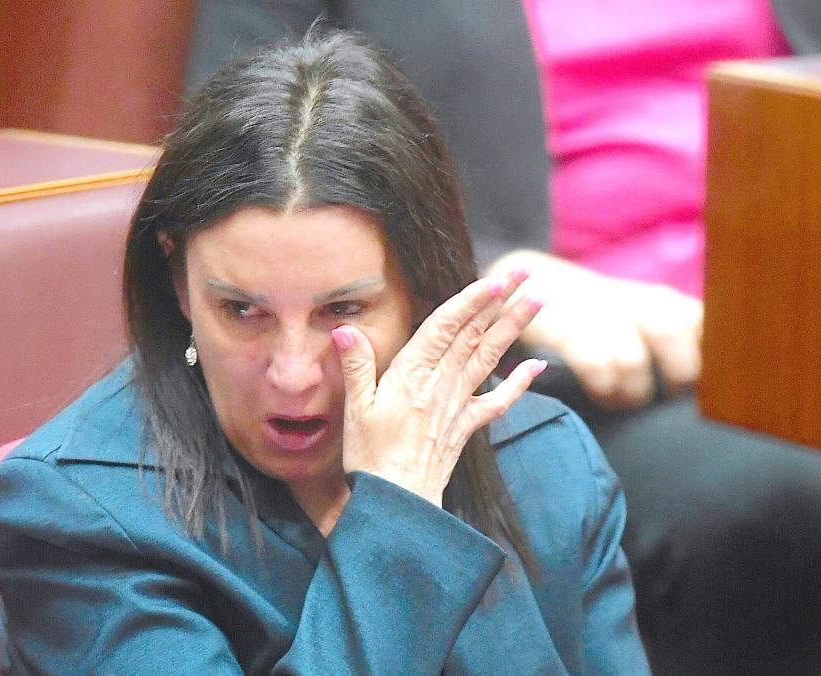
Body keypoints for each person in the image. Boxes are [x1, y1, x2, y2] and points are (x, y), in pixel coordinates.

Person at [0, 30, 650, 674]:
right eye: (242, 311)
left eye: (341, 311)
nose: (292, 374)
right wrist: (398, 515)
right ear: (179, 285)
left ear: (419, 296)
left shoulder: (549, 464)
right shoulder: (78, 516)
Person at [184, 2, 821, 674]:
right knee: (776, 499)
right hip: (556, 362)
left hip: (787, 326)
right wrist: (486, 273)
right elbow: (234, 159)